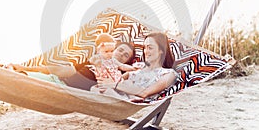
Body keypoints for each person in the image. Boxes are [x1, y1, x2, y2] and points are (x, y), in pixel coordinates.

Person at [9, 40, 137, 90]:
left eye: (126, 55)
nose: (121, 55)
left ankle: (20, 71)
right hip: (59, 80)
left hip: (70, 89)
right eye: (120, 50)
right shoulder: (95, 59)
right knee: (24, 76)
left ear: (127, 61)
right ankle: (21, 69)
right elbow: (63, 69)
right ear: (114, 49)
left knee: (26, 82)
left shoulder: (118, 75)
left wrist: (131, 71)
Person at [95, 32, 178, 102]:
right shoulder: (139, 66)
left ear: (161, 51)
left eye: (150, 48)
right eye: (145, 47)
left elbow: (144, 93)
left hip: (129, 102)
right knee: (95, 88)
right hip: (114, 94)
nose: (146, 51)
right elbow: (118, 79)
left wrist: (114, 84)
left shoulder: (169, 74)